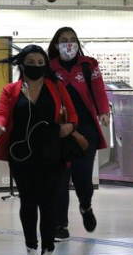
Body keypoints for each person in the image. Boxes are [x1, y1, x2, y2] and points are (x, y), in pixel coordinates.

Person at [0, 45, 78, 255]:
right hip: (21, 153)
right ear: (22, 64)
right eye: (32, 62)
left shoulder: (56, 87)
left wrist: (69, 126)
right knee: (28, 202)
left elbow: (73, 114)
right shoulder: (12, 90)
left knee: (49, 201)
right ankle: (31, 250)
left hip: (52, 151)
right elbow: (2, 112)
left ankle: (48, 251)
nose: (36, 66)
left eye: (41, 63)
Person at [47, 27, 110, 241]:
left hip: (86, 131)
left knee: (83, 178)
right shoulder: (49, 67)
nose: (69, 44)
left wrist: (103, 111)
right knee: (60, 180)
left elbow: (99, 89)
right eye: (64, 40)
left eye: (72, 40)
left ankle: (85, 205)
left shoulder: (88, 66)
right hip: (60, 131)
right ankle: (60, 225)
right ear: (56, 44)